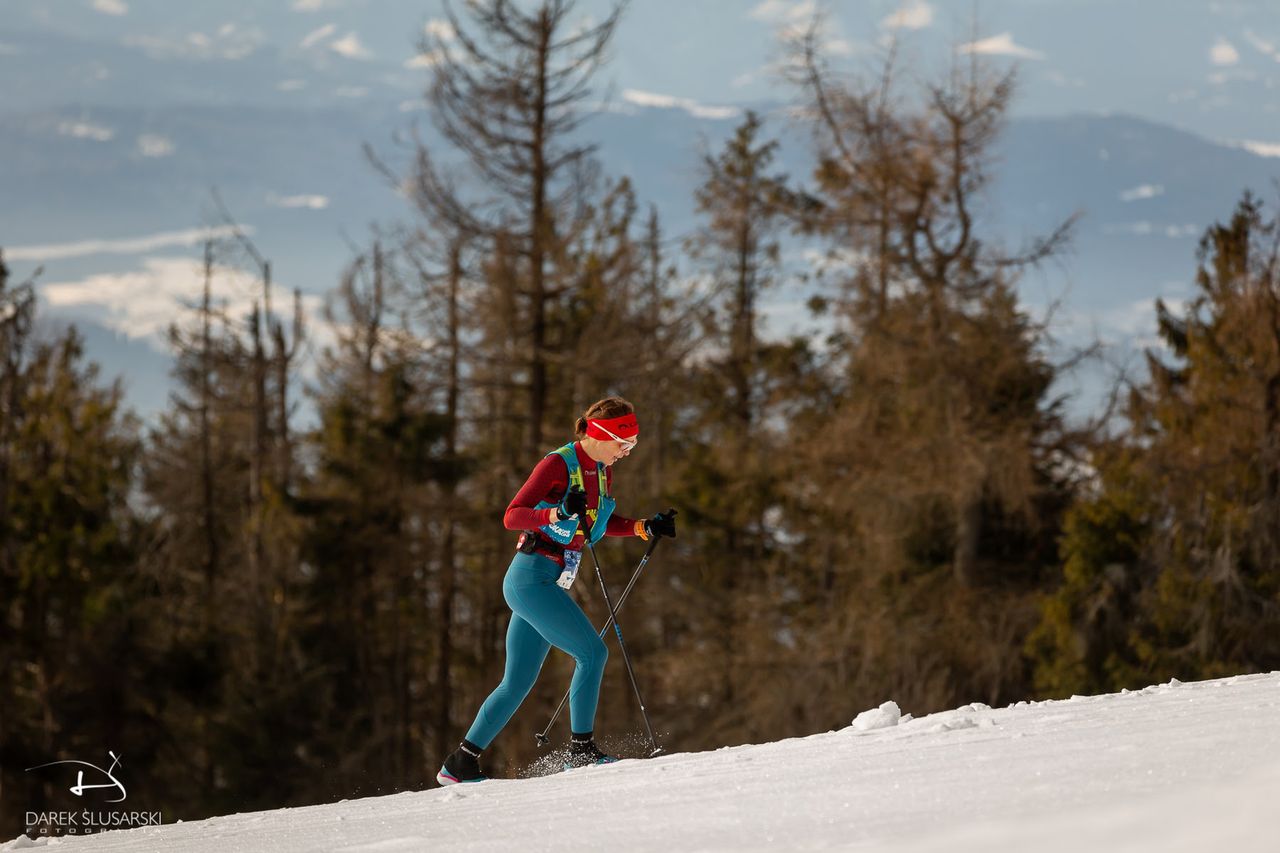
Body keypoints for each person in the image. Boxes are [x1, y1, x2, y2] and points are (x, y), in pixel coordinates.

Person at [436, 396, 678, 785]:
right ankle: (580, 752)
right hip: (530, 579)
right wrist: (557, 512)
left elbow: (598, 521)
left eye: (632, 446)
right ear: (601, 434)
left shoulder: (602, 472)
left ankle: (460, 763)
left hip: (546, 581)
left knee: (517, 682)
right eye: (624, 444)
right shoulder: (556, 464)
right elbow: (513, 515)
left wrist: (643, 527)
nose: (627, 453)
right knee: (593, 652)